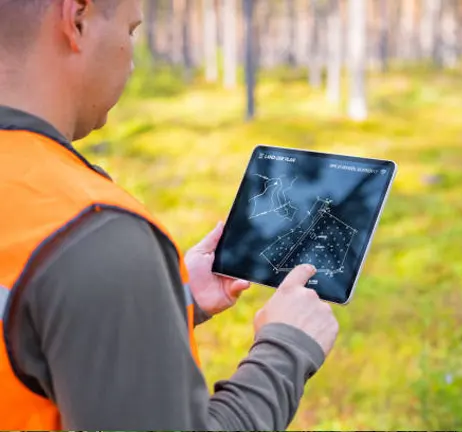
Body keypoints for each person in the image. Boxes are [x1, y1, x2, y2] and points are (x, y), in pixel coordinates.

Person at [0, 0, 339, 430]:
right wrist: (287, 347)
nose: (133, 60)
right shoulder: (91, 235)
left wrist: (167, 300)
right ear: (78, 18)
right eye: (130, 30)